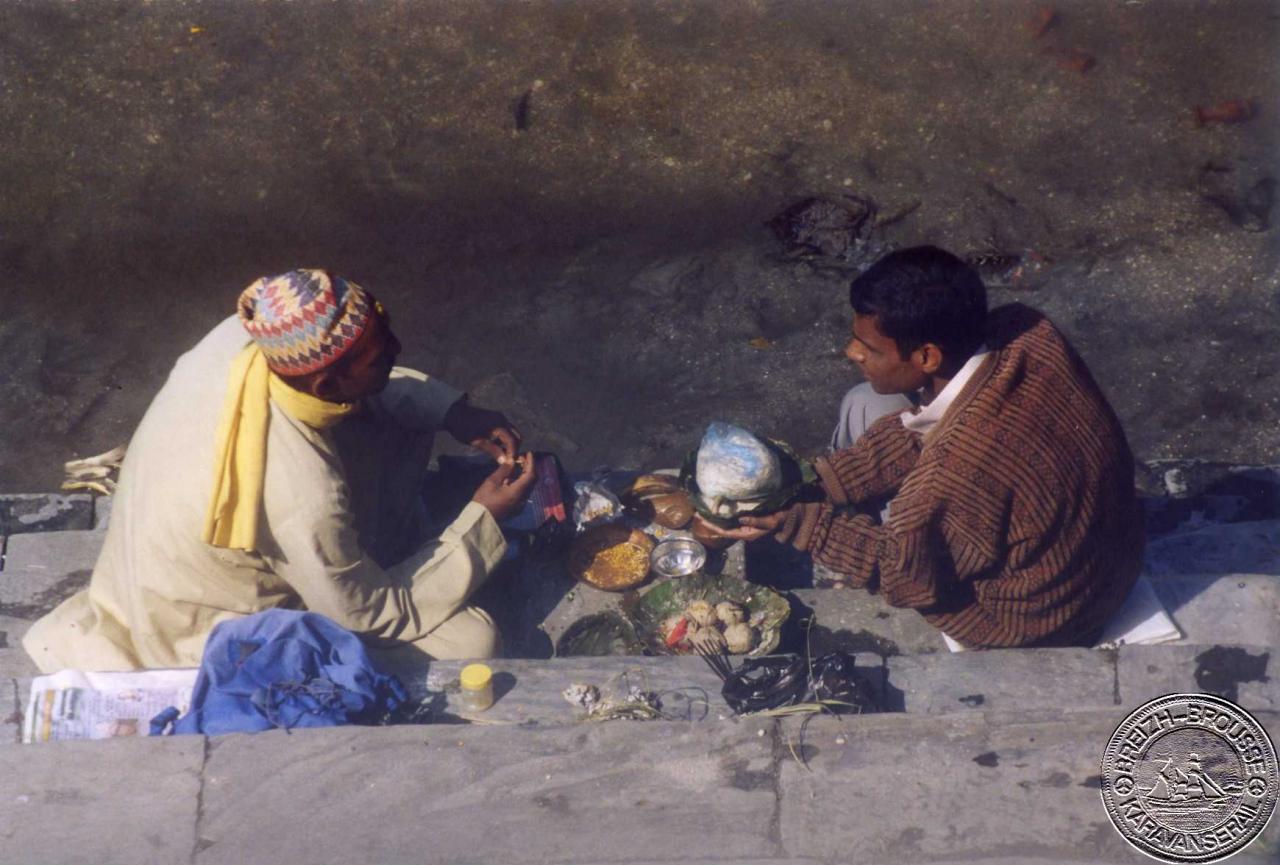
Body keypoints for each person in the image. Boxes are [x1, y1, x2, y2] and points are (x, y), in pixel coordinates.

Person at [24, 269, 536, 672]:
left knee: (391, 411)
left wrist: (453, 411)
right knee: (473, 639)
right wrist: (482, 520)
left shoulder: (244, 338)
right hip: (198, 635)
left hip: (160, 576)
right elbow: (373, 613)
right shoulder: (303, 494)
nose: (399, 351)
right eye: (382, 355)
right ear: (326, 385)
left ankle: (354, 555)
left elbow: (370, 383)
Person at [703, 246, 1145, 648]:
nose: (850, 352)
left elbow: (903, 573)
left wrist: (800, 523)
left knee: (898, 518)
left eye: (869, 348)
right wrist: (817, 484)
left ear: (928, 358)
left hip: (1037, 617)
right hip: (1110, 561)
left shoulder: (952, 477)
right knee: (866, 400)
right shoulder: (1027, 331)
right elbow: (931, 422)